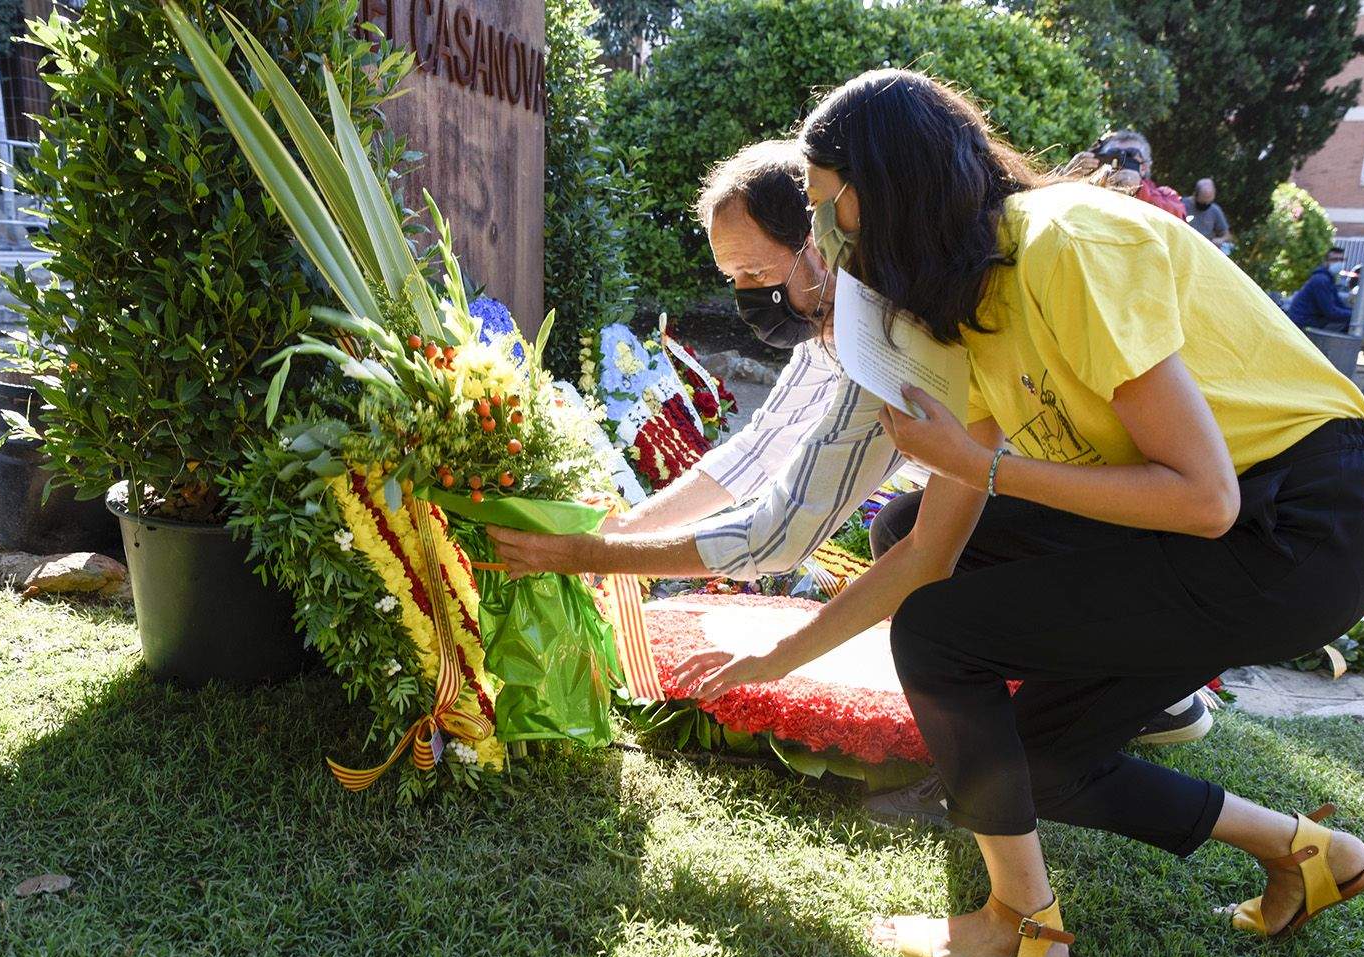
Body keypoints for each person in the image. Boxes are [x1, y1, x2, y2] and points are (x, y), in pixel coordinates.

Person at [672, 70, 1364, 957]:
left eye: (826, 209)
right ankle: (1308, 851)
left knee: (943, 636)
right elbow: (935, 546)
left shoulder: (1062, 244)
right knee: (1031, 740)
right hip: (1220, 529)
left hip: (1303, 525)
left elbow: (1207, 497)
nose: (822, 242)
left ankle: (1020, 924)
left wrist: (986, 467)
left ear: (891, 187)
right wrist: (781, 657)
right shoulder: (970, 303)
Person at [492, 139, 1214, 826]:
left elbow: (777, 534)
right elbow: (756, 453)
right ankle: (1087, 689)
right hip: (1054, 500)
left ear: (813, 246)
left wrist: (590, 555)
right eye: (731, 279)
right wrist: (623, 526)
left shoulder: (884, 336)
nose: (744, 295)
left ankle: (1110, 690)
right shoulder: (829, 322)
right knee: (903, 529)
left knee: (934, 601)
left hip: (1121, 516)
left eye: (752, 273)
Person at [1063, 129, 1186, 220]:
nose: (1120, 162)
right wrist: (1068, 177)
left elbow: (1178, 219)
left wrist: (1139, 191)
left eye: (1130, 155)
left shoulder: (1166, 195)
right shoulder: (1086, 188)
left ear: (1144, 167)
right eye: (1113, 154)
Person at [1286, 247, 1354, 331]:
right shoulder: (1321, 280)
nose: (1339, 262)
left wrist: (1357, 313)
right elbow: (1331, 312)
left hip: (1310, 321)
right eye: (1334, 259)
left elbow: (1339, 305)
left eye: (1341, 260)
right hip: (1304, 325)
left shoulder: (1328, 279)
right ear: (1326, 262)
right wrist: (1357, 315)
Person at [1183, 178, 1232, 249]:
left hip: (1204, 248)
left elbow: (1227, 235)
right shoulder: (1182, 205)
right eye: (1203, 203)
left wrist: (1221, 240)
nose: (1206, 205)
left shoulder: (1215, 210)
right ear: (1195, 194)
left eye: (1208, 202)